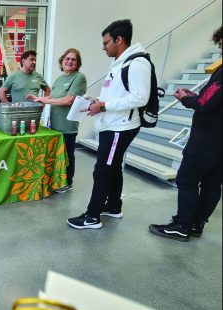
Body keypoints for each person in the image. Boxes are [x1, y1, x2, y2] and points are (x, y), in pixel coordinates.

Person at [67, 19, 151, 230]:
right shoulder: (120, 63)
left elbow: (141, 98)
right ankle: (113, 206)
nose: (103, 47)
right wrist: (98, 103)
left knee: (103, 170)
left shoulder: (137, 63)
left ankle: (92, 216)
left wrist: (104, 106)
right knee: (111, 169)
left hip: (120, 127)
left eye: (106, 43)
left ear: (119, 40)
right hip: (112, 124)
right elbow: (117, 94)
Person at [149, 26, 222, 241]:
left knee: (187, 179)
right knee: (212, 183)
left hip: (207, 139)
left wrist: (184, 98)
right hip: (218, 141)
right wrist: (195, 95)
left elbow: (203, 102)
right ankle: (196, 225)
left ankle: (182, 226)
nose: (220, 47)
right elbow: (211, 98)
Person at [27, 48, 87, 193]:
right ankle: (58, 179)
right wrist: (38, 99)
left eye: (73, 59)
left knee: (67, 155)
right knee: (58, 155)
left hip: (67, 125)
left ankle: (68, 182)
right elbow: (52, 96)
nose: (70, 61)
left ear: (77, 63)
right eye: (67, 58)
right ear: (62, 60)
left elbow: (68, 100)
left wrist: (45, 101)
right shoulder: (60, 78)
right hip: (54, 124)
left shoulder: (79, 77)